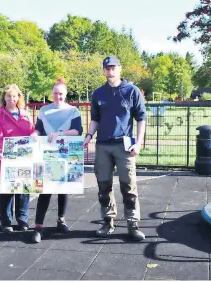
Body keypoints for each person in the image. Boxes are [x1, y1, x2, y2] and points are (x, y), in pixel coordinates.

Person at [83, 56, 147, 241]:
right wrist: (89, 136)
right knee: (104, 186)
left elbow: (141, 118)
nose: (110, 71)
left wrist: (139, 142)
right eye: (107, 68)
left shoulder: (132, 91)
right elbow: (95, 118)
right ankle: (107, 220)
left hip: (124, 145)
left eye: (113, 68)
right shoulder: (98, 94)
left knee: (129, 186)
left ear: (119, 69)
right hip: (103, 145)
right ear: (103, 71)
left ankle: (132, 224)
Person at [30, 78, 83, 243]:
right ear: (51, 94)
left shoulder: (73, 111)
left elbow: (77, 131)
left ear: (65, 94)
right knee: (44, 190)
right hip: (46, 153)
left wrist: (60, 133)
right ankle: (38, 226)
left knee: (62, 187)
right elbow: (38, 129)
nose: (58, 96)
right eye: (55, 93)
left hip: (64, 153)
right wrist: (35, 134)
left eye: (61, 94)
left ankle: (61, 220)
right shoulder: (44, 110)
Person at [0, 84, 35, 233]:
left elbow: (32, 132)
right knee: (6, 192)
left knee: (23, 190)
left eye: (14, 96)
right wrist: (0, 152)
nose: (11, 99)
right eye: (8, 96)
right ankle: (6, 222)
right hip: (4, 159)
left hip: (23, 159)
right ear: (4, 98)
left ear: (18, 98)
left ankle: (22, 220)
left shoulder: (25, 114)